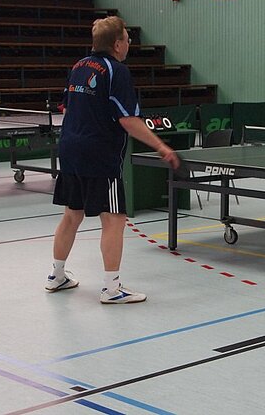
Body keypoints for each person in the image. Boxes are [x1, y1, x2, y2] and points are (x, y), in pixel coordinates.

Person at [46, 16, 180, 304]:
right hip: (99, 155)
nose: (129, 44)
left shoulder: (79, 66)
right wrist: (161, 146)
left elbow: (67, 109)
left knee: (72, 214)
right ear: (117, 44)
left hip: (69, 149)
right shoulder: (116, 71)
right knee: (114, 219)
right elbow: (128, 120)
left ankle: (57, 275)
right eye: (127, 40)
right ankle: (111, 289)